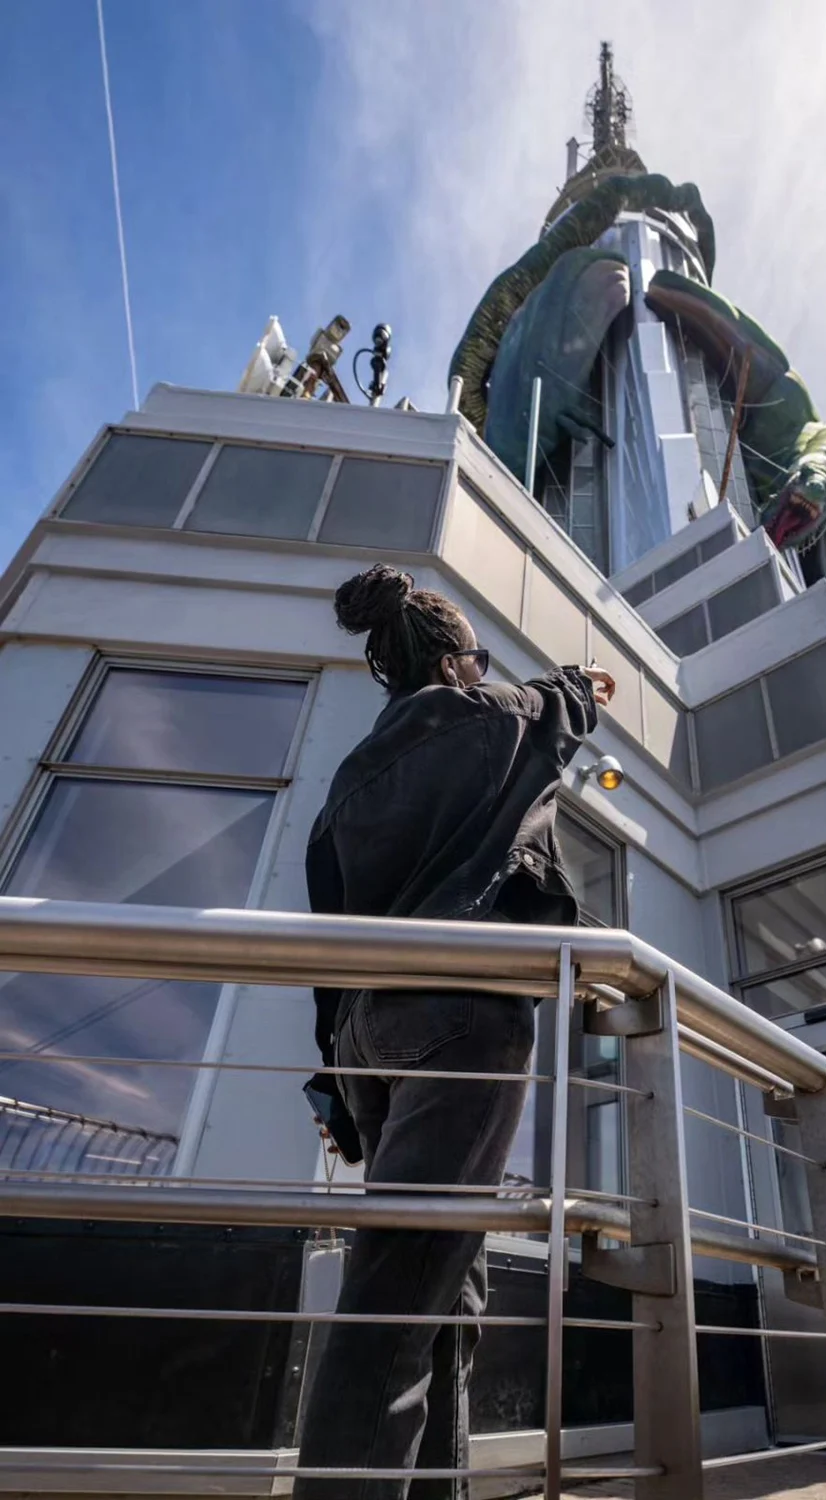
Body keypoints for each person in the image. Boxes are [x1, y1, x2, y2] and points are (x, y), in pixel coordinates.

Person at [295, 563, 615, 1500]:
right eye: (475, 656)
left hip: (368, 1037)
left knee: (446, 1287)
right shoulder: (490, 716)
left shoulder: (350, 780)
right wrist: (579, 684)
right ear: (452, 660)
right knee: (401, 1292)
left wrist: (335, 1087)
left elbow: (329, 944)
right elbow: (563, 700)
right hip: (462, 1020)